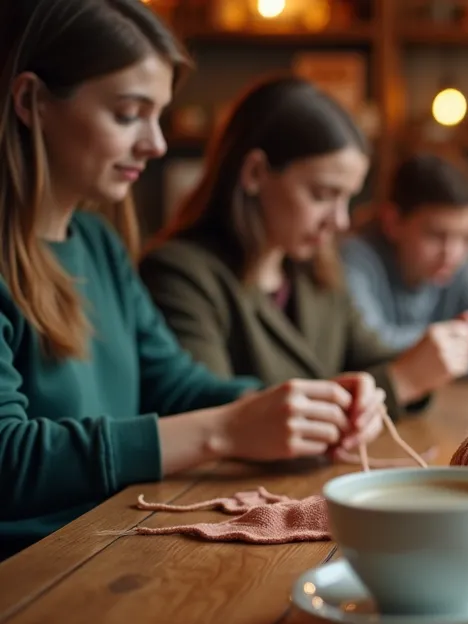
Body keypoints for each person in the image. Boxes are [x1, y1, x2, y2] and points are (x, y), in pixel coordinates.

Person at [0, 0, 386, 559]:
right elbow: (9, 459)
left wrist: (295, 407)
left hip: (107, 543)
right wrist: (224, 430)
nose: (155, 143)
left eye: (157, 116)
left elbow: (173, 386)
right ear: (32, 101)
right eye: (129, 113)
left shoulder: (100, 245)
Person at [139, 76, 468, 416]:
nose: (340, 220)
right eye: (322, 194)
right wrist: (402, 381)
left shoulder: (317, 272)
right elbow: (214, 416)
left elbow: (373, 360)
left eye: (347, 198)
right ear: (255, 173)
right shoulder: (179, 275)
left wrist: (425, 363)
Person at [339, 150, 468, 379]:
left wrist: (445, 351)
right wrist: (462, 342)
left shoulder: (461, 263)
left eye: (467, 237)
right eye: (436, 235)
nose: (452, 252)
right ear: (393, 221)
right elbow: (368, 347)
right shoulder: (354, 257)